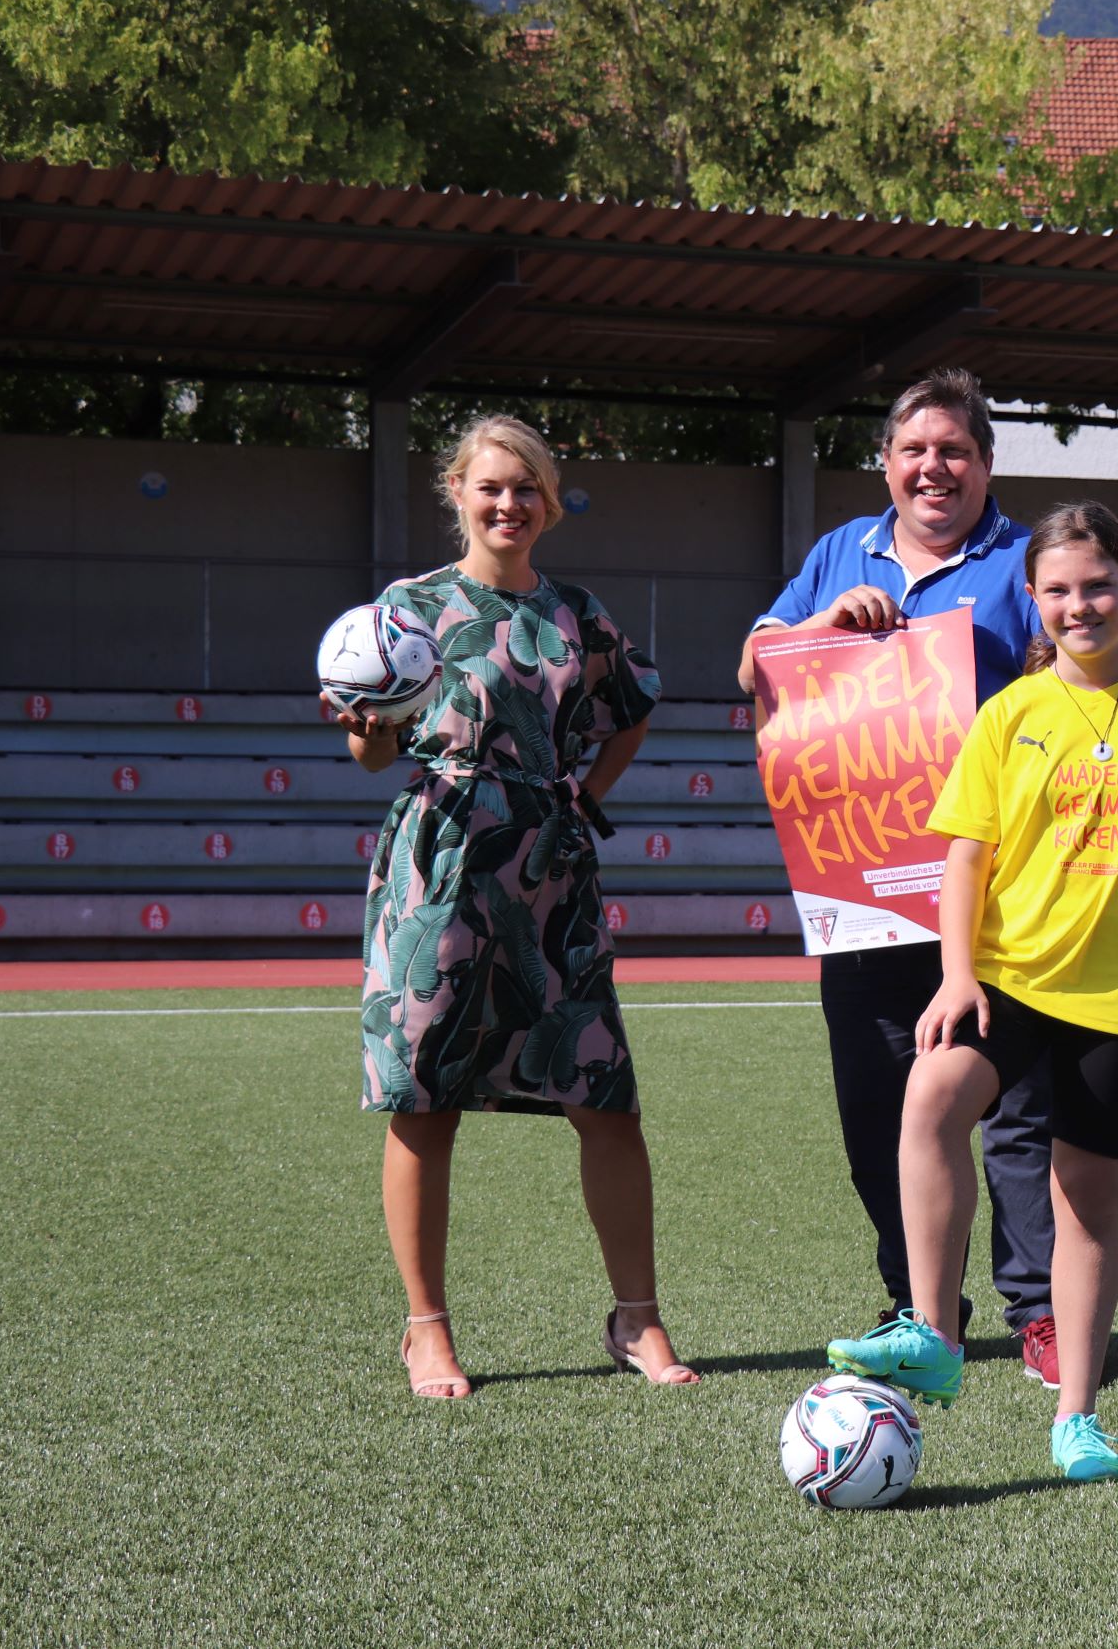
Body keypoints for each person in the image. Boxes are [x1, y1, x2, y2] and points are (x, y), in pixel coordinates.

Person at [824, 502, 1118, 1482]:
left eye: (1096, 585)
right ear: (1033, 598)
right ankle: (933, 1332)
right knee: (930, 1099)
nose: (1078, 605)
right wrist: (956, 971)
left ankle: (1076, 1417)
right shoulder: (1009, 713)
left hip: (1117, 1002)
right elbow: (965, 856)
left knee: (1084, 1203)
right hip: (1007, 979)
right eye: (1057, 590)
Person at [337, 414, 695, 1397]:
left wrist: (583, 795)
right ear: (456, 490)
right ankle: (426, 1329)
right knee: (422, 1098)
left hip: (551, 866)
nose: (509, 503)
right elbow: (369, 753)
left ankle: (638, 1317)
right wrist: (371, 728)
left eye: (527, 486)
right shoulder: (408, 608)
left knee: (605, 1097)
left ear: (551, 499)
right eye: (491, 485)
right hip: (439, 864)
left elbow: (631, 710)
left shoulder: (578, 611)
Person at [735, 369, 1062, 1386]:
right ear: (884, 463)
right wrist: (825, 624)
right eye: (914, 450)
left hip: (999, 892)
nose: (934, 468)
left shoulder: (1025, 560)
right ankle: (922, 1305)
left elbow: (1080, 678)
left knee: (1016, 1112)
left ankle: (1041, 1310)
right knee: (877, 1110)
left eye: (954, 450)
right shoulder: (841, 551)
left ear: (986, 464)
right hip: (864, 886)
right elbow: (754, 664)